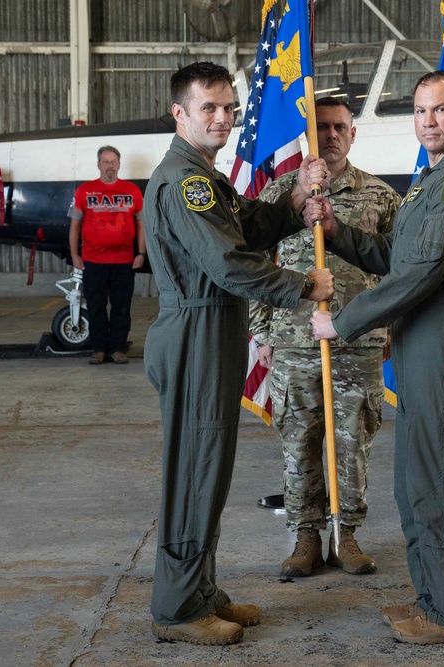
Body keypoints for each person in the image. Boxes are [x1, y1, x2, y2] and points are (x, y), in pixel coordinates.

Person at [303, 71, 444, 644]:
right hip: (421, 335)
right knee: (416, 481)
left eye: (441, 111)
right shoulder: (432, 177)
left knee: (438, 479)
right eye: (420, 111)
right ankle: (433, 596)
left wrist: (341, 322)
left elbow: (421, 273)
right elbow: (396, 254)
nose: (429, 121)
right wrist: (337, 230)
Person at [142, 61, 334, 646]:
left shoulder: (207, 176)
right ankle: (177, 610)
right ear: (180, 114)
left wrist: (295, 195)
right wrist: (304, 287)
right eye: (209, 108)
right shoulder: (186, 181)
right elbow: (227, 263)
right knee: (195, 471)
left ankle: (199, 589)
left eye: (230, 108)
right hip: (195, 333)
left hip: (212, 330)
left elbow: (245, 227)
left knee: (212, 469)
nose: (223, 118)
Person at [249, 97, 401, 578]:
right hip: (294, 339)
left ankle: (347, 534)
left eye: (340, 127)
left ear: (353, 135)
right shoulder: (280, 195)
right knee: (299, 440)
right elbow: (254, 265)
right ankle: (305, 537)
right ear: (308, 138)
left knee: (353, 439)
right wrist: (261, 331)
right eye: (321, 128)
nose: (331, 135)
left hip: (359, 342)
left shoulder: (380, 196)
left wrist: (391, 323)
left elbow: (402, 268)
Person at [69, 146, 146, 365]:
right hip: (93, 261)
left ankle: (117, 349)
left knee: (122, 307)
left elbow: (141, 224)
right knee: (96, 306)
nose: (109, 165)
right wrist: (75, 254)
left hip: (124, 261)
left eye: (113, 161)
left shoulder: (132, 191)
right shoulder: (84, 191)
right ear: (98, 164)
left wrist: (141, 253)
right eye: (105, 161)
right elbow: (74, 226)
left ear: (119, 164)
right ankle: (99, 349)